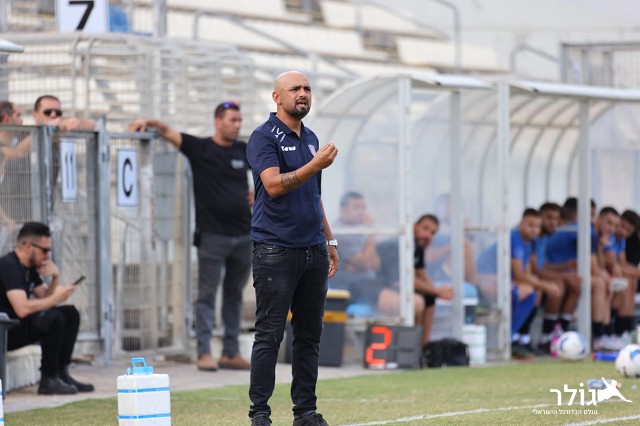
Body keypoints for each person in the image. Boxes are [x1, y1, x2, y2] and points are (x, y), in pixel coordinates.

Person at [128, 102, 253, 372]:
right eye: (232, 120)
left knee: (234, 295)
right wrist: (150, 121)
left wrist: (259, 194)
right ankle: (204, 352)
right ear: (217, 121)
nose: (237, 125)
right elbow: (169, 133)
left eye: (239, 121)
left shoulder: (243, 150)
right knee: (207, 295)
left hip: (245, 235)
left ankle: (230, 353)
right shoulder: (201, 148)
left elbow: (268, 173)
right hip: (213, 236)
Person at [246, 70, 338, 426]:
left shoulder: (311, 137)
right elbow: (273, 186)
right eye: (295, 88)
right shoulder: (263, 137)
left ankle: (305, 413)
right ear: (277, 97)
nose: (303, 94)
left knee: (309, 337)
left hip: (313, 248)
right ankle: (260, 414)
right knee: (269, 335)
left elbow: (314, 195)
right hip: (275, 249)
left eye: (307, 88)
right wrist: (314, 165)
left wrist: (329, 239)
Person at [0, 222, 94, 394]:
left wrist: (56, 278)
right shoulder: (9, 266)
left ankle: (61, 373)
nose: (47, 255)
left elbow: (43, 296)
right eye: (44, 250)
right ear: (28, 246)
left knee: (69, 314)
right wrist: (56, 298)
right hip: (4, 331)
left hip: (16, 326)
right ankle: (48, 379)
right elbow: (22, 309)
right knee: (52, 318)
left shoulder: (29, 269)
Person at [476, 208, 562, 358]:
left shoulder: (527, 243)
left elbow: (527, 273)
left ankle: (520, 337)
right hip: (486, 280)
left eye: (537, 226)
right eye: (530, 225)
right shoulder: (514, 238)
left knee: (534, 292)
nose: (534, 230)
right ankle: (508, 338)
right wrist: (546, 285)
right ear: (521, 223)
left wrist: (544, 285)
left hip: (504, 282)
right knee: (526, 290)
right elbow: (520, 275)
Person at [544, 198, 614, 351]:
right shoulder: (580, 230)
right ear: (579, 215)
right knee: (599, 283)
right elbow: (595, 267)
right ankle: (600, 335)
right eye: (591, 215)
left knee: (588, 282)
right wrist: (607, 280)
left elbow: (599, 264)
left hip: (562, 275)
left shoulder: (566, 230)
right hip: (555, 276)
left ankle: (561, 331)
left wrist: (600, 246)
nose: (593, 220)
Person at [377, 214, 454, 347]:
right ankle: (411, 347)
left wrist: (438, 292)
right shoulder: (397, 245)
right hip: (384, 287)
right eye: (425, 228)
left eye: (432, 233)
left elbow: (422, 275)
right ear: (414, 226)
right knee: (418, 301)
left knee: (429, 298)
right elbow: (405, 278)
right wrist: (438, 291)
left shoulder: (418, 246)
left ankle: (423, 348)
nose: (428, 235)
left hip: (399, 286)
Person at [330, 192, 384, 309]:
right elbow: (366, 263)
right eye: (356, 207)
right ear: (343, 210)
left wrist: (361, 264)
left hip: (367, 282)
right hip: (351, 286)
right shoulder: (341, 234)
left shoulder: (360, 232)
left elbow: (377, 265)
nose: (361, 212)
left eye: (363, 207)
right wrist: (371, 232)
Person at [604, 209, 640, 345]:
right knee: (627, 282)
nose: (623, 232)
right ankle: (618, 330)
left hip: (614, 275)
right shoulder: (608, 238)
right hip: (606, 276)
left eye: (628, 231)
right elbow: (613, 264)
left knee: (631, 281)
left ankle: (625, 331)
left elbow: (622, 264)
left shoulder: (621, 240)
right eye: (622, 226)